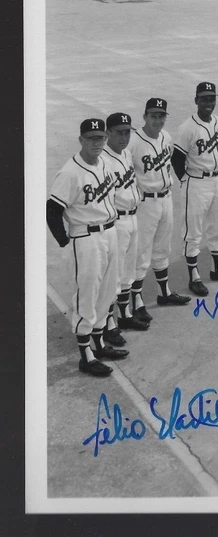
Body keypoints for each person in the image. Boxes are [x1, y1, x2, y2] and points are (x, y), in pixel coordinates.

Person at [47, 118, 127, 376]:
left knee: (107, 291)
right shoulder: (70, 172)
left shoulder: (104, 161)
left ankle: (100, 343)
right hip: (86, 239)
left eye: (100, 137)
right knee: (87, 296)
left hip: (110, 232)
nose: (97, 142)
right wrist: (66, 242)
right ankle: (86, 356)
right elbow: (52, 210)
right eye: (91, 138)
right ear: (80, 139)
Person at [172, 82, 218, 298]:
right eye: (204, 99)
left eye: (211, 98)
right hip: (196, 183)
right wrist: (186, 180)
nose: (208, 103)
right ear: (196, 101)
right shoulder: (187, 128)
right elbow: (177, 159)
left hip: (217, 179)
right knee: (193, 232)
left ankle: (217, 268)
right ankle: (194, 277)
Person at [129, 98, 190, 308]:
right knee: (141, 252)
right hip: (145, 204)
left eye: (161, 115)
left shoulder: (166, 136)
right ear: (144, 116)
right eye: (153, 115)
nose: (157, 120)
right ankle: (136, 302)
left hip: (166, 199)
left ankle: (164, 292)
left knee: (163, 248)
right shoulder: (133, 142)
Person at [100, 112, 149, 340]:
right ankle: (109, 324)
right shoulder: (103, 160)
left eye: (127, 132)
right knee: (114, 275)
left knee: (128, 271)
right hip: (117, 221)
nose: (124, 137)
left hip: (133, 217)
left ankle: (125, 314)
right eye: (119, 132)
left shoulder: (127, 154)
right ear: (108, 133)